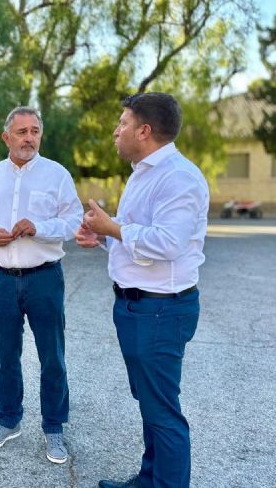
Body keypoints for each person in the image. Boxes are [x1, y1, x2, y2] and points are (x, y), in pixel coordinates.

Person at [75, 92, 209, 488]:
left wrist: (111, 228)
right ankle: (149, 479)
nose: (116, 131)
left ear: (145, 130)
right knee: (150, 404)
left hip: (160, 311)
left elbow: (167, 243)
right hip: (137, 307)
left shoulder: (179, 177)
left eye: (123, 124)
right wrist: (102, 237)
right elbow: (141, 237)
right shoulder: (144, 172)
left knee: (163, 410)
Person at [0, 106, 83, 464]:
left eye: (34, 131)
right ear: (7, 137)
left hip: (44, 277)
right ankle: (8, 421)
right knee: (6, 355)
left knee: (53, 356)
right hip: (1, 279)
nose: (29, 138)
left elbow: (74, 220)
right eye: (21, 132)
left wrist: (40, 228)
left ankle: (54, 427)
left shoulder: (57, 175)